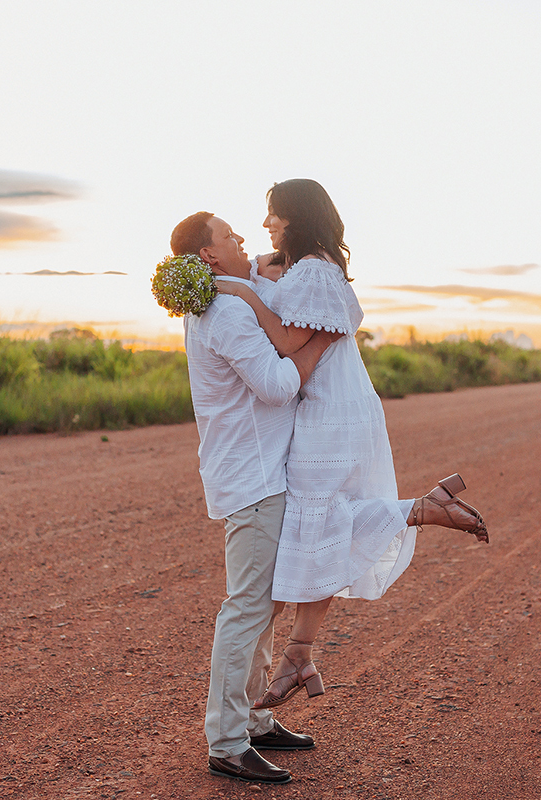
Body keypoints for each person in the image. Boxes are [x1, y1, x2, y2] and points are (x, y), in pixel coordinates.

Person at [214, 179, 489, 710]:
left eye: (274, 215)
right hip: (338, 402)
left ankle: (422, 511)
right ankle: (300, 652)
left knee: (315, 515)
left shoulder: (314, 269)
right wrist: (235, 274)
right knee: (319, 517)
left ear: (296, 216)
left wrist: (245, 293)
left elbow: (290, 341)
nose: (266, 225)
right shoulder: (307, 265)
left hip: (329, 407)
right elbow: (271, 280)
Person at [170, 211, 339, 785]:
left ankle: (255, 720)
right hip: (253, 477)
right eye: (230, 236)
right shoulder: (223, 312)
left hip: (262, 473)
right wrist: (317, 344)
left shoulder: (229, 299)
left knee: (263, 603)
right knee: (246, 607)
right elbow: (275, 385)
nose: (243, 238)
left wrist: (261, 272)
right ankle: (225, 739)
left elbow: (271, 278)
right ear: (210, 257)